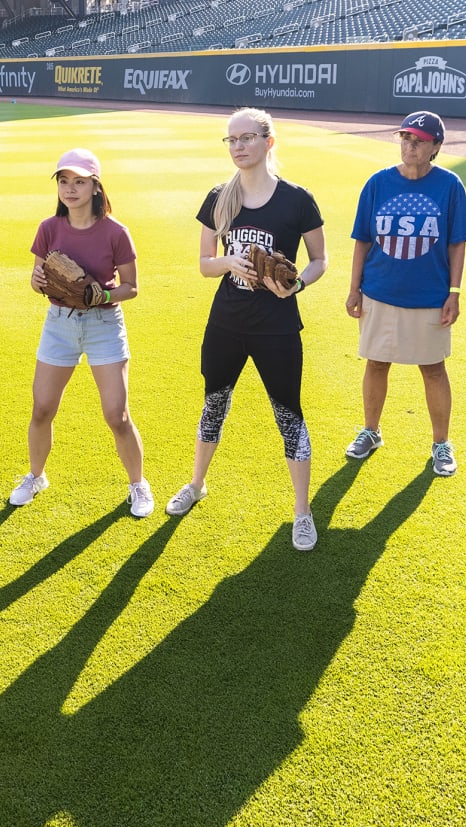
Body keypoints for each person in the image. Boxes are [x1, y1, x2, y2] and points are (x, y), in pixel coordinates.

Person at [165, 107, 328, 551]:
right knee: (214, 404)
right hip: (226, 323)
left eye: (247, 138)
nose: (238, 146)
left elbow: (319, 261)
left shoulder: (297, 199)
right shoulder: (220, 197)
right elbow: (204, 264)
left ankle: (302, 511)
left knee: (288, 415)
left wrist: (295, 285)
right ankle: (196, 484)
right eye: (231, 140)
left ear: (268, 141)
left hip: (276, 326)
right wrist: (227, 262)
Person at [10, 148, 151, 517]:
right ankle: (35, 476)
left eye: (79, 182)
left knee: (116, 414)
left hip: (104, 325)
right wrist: (38, 281)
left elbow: (131, 287)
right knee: (42, 409)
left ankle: (138, 485)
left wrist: (101, 294)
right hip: (59, 324)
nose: (70, 189)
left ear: (95, 186)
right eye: (63, 181)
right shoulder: (49, 228)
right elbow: (37, 280)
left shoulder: (116, 232)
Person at [344, 111, 466, 477]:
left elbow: (457, 244)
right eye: (405, 138)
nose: (410, 146)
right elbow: (362, 240)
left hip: (429, 296)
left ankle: (441, 443)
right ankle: (371, 431)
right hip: (379, 291)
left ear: (435, 146)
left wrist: (454, 292)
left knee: (433, 369)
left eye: (419, 140)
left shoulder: (449, 185)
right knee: (376, 362)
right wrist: (354, 288)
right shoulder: (378, 183)